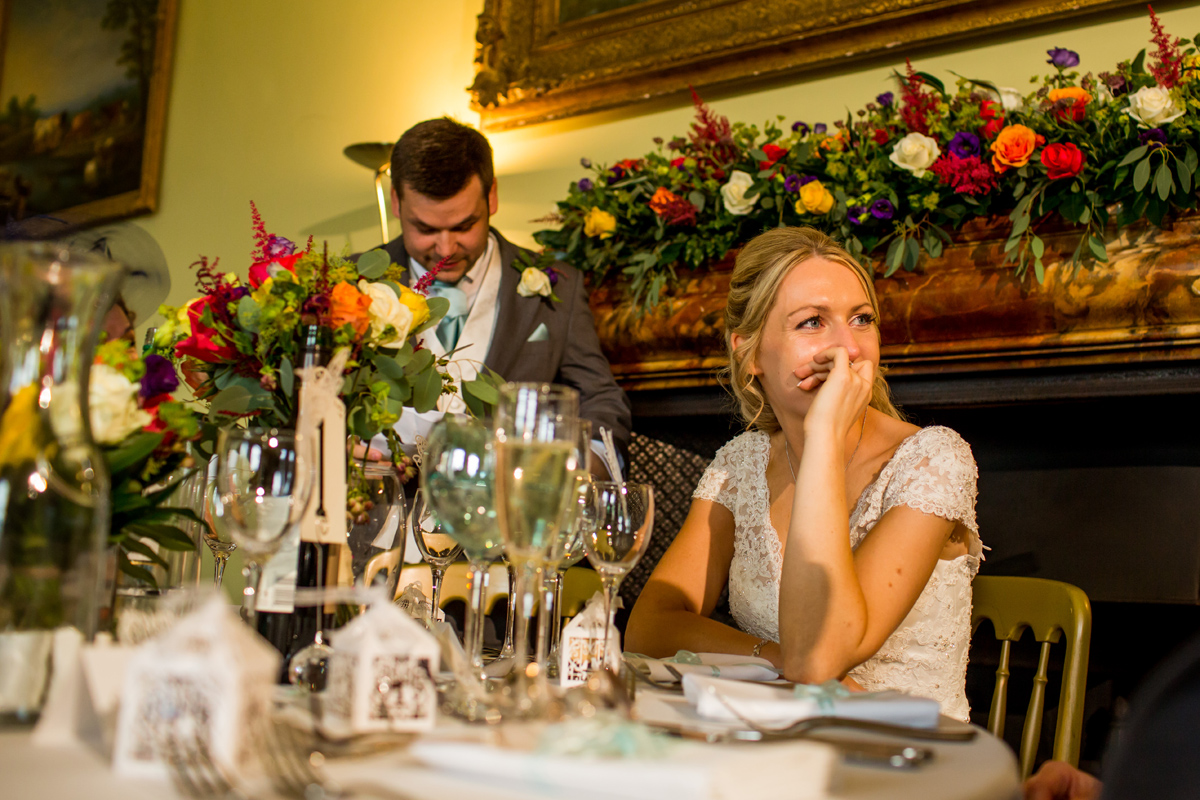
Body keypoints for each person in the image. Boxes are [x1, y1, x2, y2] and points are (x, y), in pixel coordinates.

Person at [625, 226, 982, 720]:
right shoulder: (742, 465)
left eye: (862, 320)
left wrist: (822, 445)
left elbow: (816, 659)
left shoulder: (932, 459)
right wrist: (773, 659)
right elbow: (649, 628)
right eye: (812, 322)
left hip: (909, 760)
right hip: (778, 741)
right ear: (749, 354)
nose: (847, 350)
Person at [365, 117, 631, 472]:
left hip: (513, 514)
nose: (445, 247)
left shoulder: (560, 285)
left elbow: (599, 400)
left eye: (463, 226)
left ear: (491, 196)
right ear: (396, 202)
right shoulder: (351, 284)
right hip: (387, 512)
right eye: (425, 228)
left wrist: (575, 474)